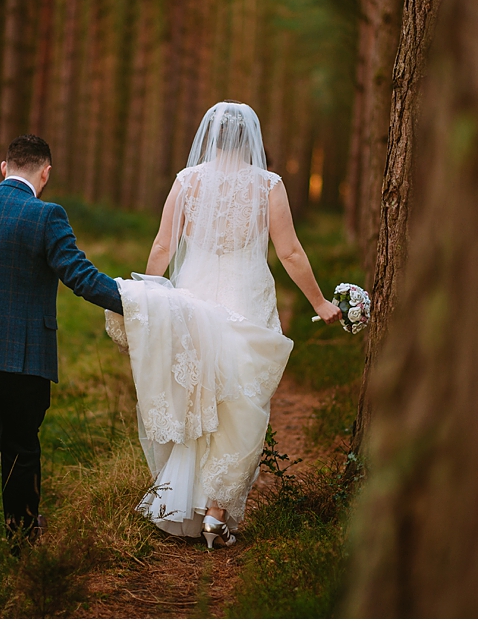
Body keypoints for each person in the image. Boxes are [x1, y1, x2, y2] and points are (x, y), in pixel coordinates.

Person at [104, 101, 341, 549]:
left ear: (210, 138)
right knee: (239, 401)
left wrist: (150, 302)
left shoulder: (187, 182)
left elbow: (162, 244)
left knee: (196, 397)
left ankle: (181, 502)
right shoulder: (268, 185)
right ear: (250, 138)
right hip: (244, 300)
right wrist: (320, 301)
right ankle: (215, 512)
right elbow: (289, 252)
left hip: (192, 298)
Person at [0, 134, 123, 572]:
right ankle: (22, 549)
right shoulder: (46, 215)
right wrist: (139, 302)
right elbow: (82, 278)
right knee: (20, 450)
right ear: (45, 172)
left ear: (3, 167)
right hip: (23, 360)